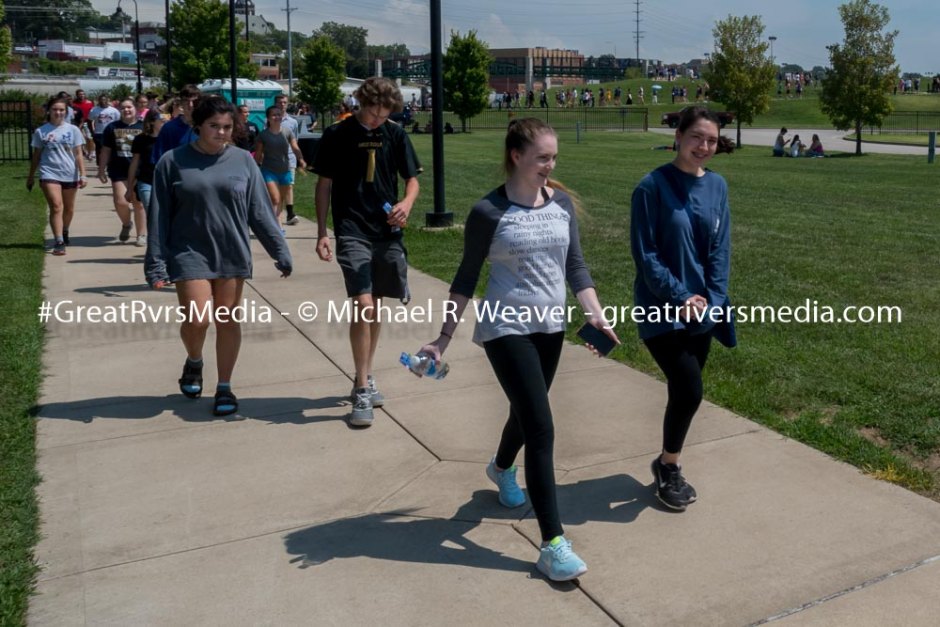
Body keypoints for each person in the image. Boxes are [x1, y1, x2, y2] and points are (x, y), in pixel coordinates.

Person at [417, 118, 618, 582]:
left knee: (526, 412)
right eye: (542, 158)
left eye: (553, 158)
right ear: (516, 157)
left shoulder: (561, 204)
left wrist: (595, 314)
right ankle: (553, 544)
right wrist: (443, 338)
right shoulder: (489, 211)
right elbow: (467, 278)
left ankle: (501, 467)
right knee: (542, 426)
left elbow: (576, 267)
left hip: (550, 326)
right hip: (505, 328)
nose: (550, 166)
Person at [145, 96, 292, 416]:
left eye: (227, 127)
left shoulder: (244, 161)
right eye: (214, 126)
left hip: (231, 250)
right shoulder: (172, 161)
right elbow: (159, 214)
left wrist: (279, 249)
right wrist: (155, 262)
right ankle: (194, 360)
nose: (221, 132)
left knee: (227, 320)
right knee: (197, 319)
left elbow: (259, 210)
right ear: (198, 125)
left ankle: (224, 386)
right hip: (188, 251)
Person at [630, 106, 736, 512]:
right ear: (678, 136)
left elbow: (720, 249)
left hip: (704, 309)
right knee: (690, 387)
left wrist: (712, 298)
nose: (704, 146)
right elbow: (646, 254)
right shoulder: (651, 187)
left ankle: (664, 459)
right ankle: (669, 466)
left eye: (710, 140)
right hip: (661, 308)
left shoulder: (718, 187)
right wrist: (679, 297)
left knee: (682, 392)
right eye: (696, 137)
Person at [313, 76, 422, 427]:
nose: (377, 119)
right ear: (360, 102)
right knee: (363, 303)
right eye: (373, 112)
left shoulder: (394, 133)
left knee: (376, 306)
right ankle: (361, 386)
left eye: (383, 114)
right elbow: (324, 184)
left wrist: (407, 202)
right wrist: (321, 232)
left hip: (386, 231)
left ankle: (367, 372)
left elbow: (412, 179)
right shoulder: (337, 135)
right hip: (352, 229)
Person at [27, 97, 88, 256]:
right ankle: (59, 241)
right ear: (49, 111)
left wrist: (83, 174)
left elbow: (78, 153)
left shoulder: (73, 130)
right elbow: (37, 155)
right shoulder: (41, 131)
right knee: (56, 206)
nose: (58, 112)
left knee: (68, 208)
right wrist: (31, 175)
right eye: (55, 109)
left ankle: (65, 230)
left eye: (61, 110)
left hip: (69, 172)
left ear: (66, 112)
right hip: (49, 172)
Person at [98, 98, 146, 245]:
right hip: (118, 169)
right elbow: (106, 150)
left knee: (139, 203)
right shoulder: (112, 127)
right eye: (123, 108)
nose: (126, 110)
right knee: (121, 202)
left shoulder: (144, 127)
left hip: (140, 171)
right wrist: (101, 170)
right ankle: (126, 224)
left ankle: (141, 235)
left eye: (129, 107)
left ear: (136, 108)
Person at [254, 105, 307, 227]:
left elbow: (294, 147)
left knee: (281, 200)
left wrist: (301, 159)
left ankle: (276, 223)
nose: (277, 117)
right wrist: (254, 168)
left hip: (285, 170)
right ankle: (275, 226)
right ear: (268, 118)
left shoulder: (287, 132)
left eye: (279, 114)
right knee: (275, 199)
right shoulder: (263, 135)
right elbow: (258, 153)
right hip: (268, 170)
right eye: (274, 114)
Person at [124, 109, 165, 214]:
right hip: (146, 182)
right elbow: (134, 163)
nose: (165, 122)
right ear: (152, 122)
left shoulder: (169, 138)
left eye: (167, 119)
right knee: (152, 213)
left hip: (166, 183)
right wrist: (129, 188)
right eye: (162, 120)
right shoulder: (141, 139)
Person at [153, 85, 200, 163]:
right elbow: (159, 159)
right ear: (181, 103)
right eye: (186, 101)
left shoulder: (206, 126)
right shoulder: (169, 128)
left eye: (194, 101)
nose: (190, 105)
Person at [273, 94, 301, 226]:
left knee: (289, 185)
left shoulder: (293, 122)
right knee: (277, 188)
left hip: (289, 158)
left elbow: (295, 140)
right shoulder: (269, 120)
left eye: (284, 102)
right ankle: (276, 214)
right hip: (273, 159)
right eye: (279, 102)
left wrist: (299, 157)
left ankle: (290, 213)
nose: (282, 105)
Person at [90, 94, 120, 164]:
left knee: (110, 150)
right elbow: (90, 120)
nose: (103, 101)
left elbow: (118, 122)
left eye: (104, 99)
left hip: (111, 133)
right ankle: (100, 166)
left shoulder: (114, 110)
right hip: (99, 133)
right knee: (100, 150)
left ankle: (109, 165)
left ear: (108, 100)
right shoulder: (94, 110)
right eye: (101, 99)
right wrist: (92, 131)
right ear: (99, 100)